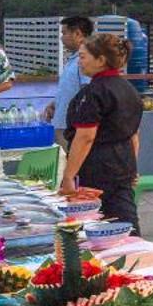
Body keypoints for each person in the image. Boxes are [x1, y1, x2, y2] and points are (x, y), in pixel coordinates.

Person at [59, 33, 144, 232]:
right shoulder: (129, 89)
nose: (80, 62)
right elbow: (133, 134)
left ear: (100, 60)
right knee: (125, 222)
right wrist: (132, 167)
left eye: (83, 57)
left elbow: (86, 137)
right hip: (122, 162)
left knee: (94, 224)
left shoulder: (94, 92)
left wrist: (68, 176)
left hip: (98, 166)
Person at [42, 15, 94, 140]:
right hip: (62, 125)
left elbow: (87, 93)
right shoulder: (73, 60)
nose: (61, 38)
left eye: (64, 33)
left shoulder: (86, 61)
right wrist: (56, 104)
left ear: (77, 34)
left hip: (73, 129)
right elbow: (72, 90)